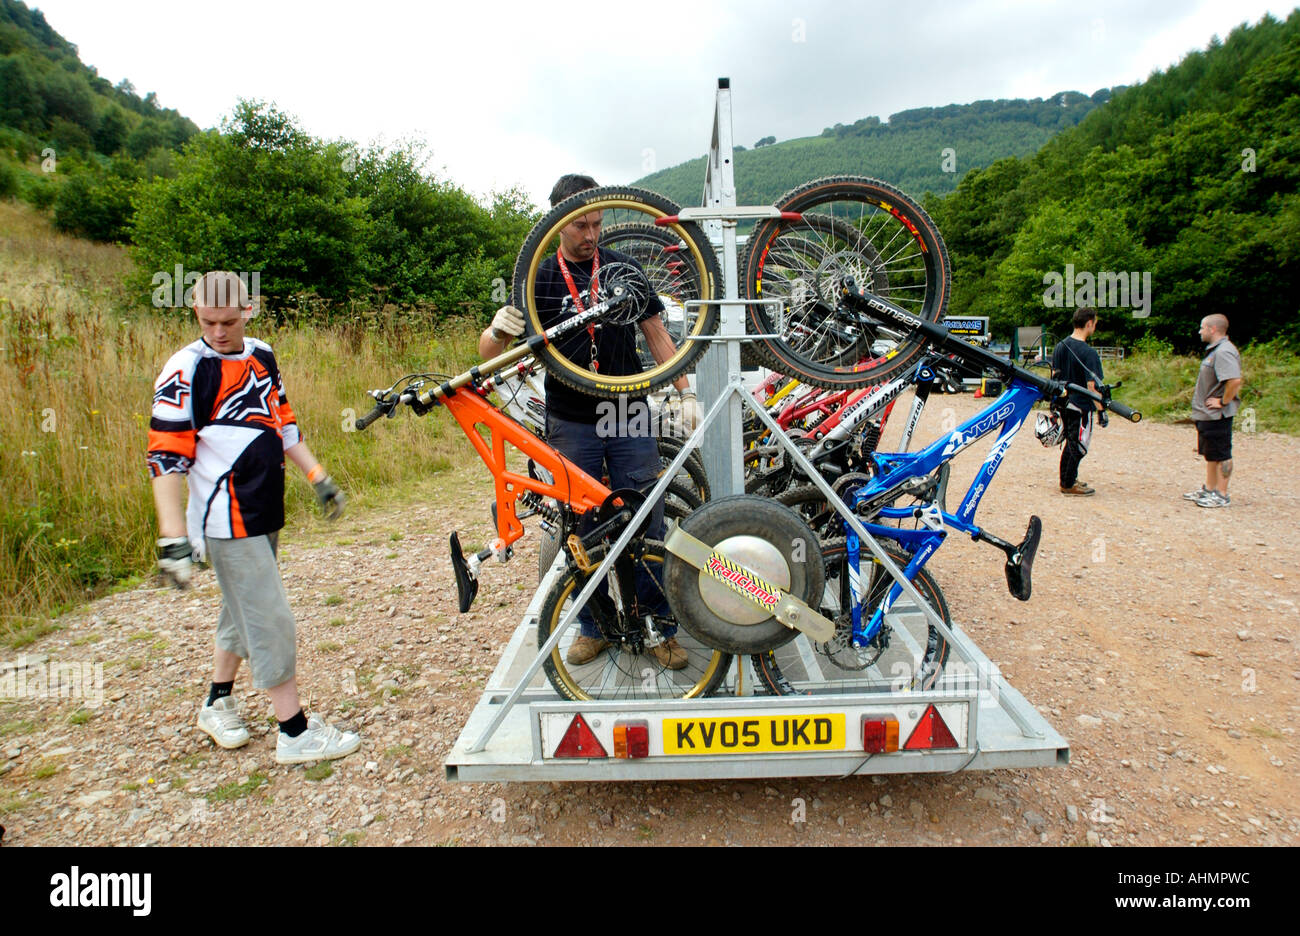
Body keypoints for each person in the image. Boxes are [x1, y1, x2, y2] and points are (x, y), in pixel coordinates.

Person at [480, 174, 699, 670]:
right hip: (571, 418)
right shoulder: (537, 276)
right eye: (581, 224)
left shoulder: (623, 267)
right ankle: (594, 627)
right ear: (556, 220)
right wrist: (497, 330)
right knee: (583, 528)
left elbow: (657, 334)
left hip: (627, 410)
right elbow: (490, 354)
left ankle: (659, 628)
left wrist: (686, 394)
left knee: (644, 518)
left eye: (598, 223)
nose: (591, 234)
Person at [148, 271, 361, 764]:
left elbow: (281, 421)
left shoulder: (261, 355)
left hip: (264, 507)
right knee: (270, 618)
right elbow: (165, 457)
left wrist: (319, 477)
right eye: (206, 321)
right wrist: (172, 538)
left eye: (227, 320)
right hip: (225, 517)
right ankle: (294, 731)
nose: (217, 331)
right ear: (196, 313)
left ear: (249, 309)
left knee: (240, 609)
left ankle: (217, 702)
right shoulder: (184, 369)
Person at [1184, 314, 1242, 508]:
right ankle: (1209, 489)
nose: (1200, 331)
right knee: (1210, 453)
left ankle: (1221, 495)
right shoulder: (1214, 351)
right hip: (1206, 415)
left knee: (1222, 453)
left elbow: (1234, 380)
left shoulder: (1224, 351)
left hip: (1217, 415)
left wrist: (1223, 402)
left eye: (1202, 327)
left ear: (1212, 329)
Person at [1050, 307, 1104, 496]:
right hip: (1081, 405)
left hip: (1064, 403)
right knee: (1079, 444)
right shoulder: (1089, 353)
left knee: (1070, 442)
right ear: (1089, 323)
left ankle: (1067, 479)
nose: (1094, 327)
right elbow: (1092, 386)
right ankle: (1068, 483)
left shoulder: (1060, 346)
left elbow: (1054, 377)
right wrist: (1101, 410)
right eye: (1095, 323)